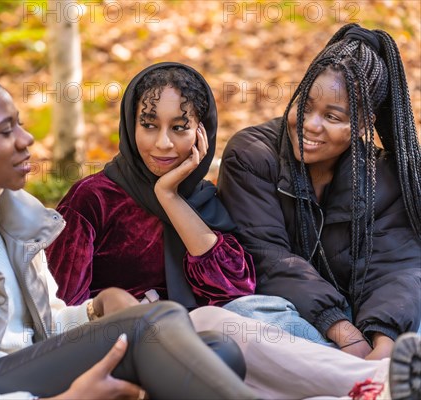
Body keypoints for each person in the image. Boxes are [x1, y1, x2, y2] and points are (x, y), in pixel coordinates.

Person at [0, 54, 257, 400]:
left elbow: (42, 326)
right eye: (6, 131)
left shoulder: (10, 214)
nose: (26, 139)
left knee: (219, 352)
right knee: (153, 326)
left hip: (25, 371)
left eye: (19, 123)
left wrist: (96, 308)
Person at [45, 61, 421, 399]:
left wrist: (171, 198)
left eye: (179, 128)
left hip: (209, 347)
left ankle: (364, 383)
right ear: (130, 126)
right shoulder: (93, 199)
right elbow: (61, 313)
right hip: (122, 351)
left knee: (241, 313)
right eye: (148, 126)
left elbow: (232, 288)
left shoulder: (203, 199)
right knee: (213, 321)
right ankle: (373, 379)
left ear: (202, 133)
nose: (162, 143)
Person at [217, 23, 421, 361]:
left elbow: (397, 269)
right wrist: (345, 335)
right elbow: (268, 259)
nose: (311, 124)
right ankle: (353, 377)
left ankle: (369, 374)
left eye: (332, 116)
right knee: (242, 315)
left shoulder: (383, 177)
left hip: (368, 328)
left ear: (362, 124)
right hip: (301, 325)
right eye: (306, 106)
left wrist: (383, 345)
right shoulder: (252, 156)